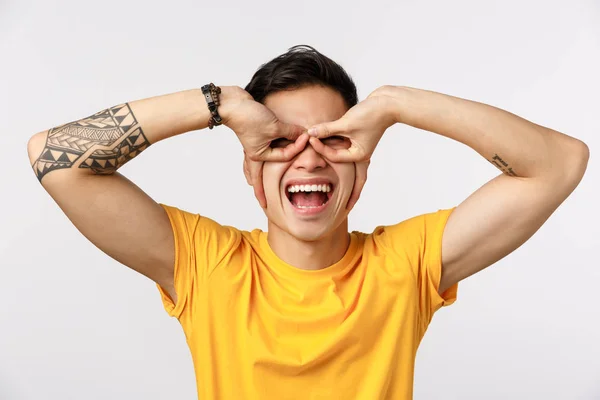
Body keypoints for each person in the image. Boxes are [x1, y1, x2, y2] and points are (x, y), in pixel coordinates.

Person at [27, 45, 589, 399]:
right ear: (251, 169)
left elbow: (560, 164)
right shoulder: (205, 264)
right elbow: (54, 157)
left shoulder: (406, 264)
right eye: (278, 141)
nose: (309, 157)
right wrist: (217, 103)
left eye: (333, 139)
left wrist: (397, 103)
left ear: (361, 171)